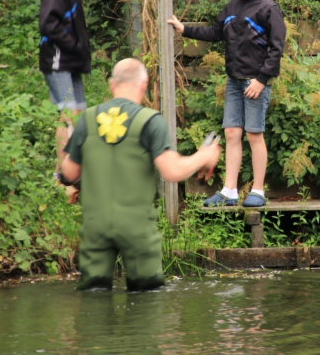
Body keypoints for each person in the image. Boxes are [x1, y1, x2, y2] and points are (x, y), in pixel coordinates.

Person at [60, 58, 222, 291]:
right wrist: (203, 155)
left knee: (93, 297)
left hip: (95, 225)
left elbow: (69, 171)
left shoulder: (87, 119)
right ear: (144, 85)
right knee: (147, 299)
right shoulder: (150, 121)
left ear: (111, 85)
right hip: (136, 228)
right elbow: (172, 171)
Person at [168, 0, 286, 208]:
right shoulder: (231, 7)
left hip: (255, 82)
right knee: (232, 132)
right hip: (234, 82)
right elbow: (214, 32)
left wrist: (261, 80)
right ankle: (230, 191)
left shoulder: (268, 9)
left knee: (254, 135)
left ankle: (257, 190)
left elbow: (276, 49)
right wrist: (184, 29)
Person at [39, 0, 103, 202]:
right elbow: (48, 25)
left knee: (77, 116)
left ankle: (62, 175)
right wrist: (74, 45)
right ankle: (66, 181)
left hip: (70, 64)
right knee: (68, 117)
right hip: (59, 63)